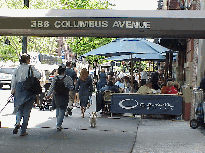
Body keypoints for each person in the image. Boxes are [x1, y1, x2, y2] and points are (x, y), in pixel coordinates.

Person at [11, 54, 41, 136]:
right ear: (28, 60)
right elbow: (39, 76)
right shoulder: (30, 68)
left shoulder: (17, 69)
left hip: (18, 89)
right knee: (27, 111)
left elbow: (13, 79)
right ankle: (23, 130)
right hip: (28, 90)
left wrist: (13, 89)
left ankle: (17, 122)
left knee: (19, 108)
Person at [46, 63, 74, 131]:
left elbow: (52, 87)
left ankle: (58, 120)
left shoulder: (55, 78)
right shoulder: (68, 78)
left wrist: (48, 94)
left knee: (58, 108)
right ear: (64, 71)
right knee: (62, 109)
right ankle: (59, 124)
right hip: (64, 95)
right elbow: (71, 87)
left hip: (56, 95)